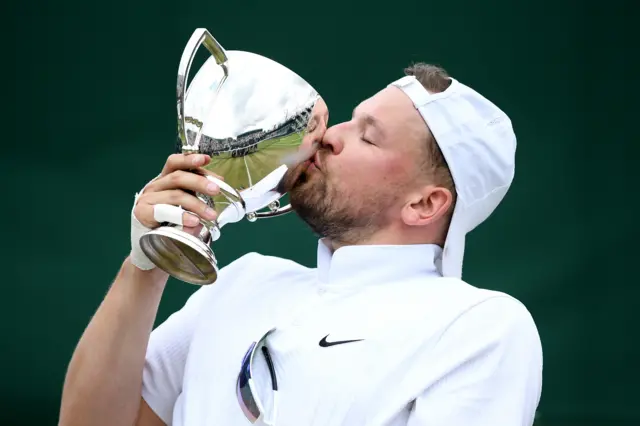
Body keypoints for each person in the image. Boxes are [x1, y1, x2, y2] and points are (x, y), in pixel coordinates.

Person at [59, 63, 543, 426]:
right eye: (349, 121)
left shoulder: (480, 326)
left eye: (368, 138)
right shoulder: (244, 281)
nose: (329, 136)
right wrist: (148, 262)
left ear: (424, 204)